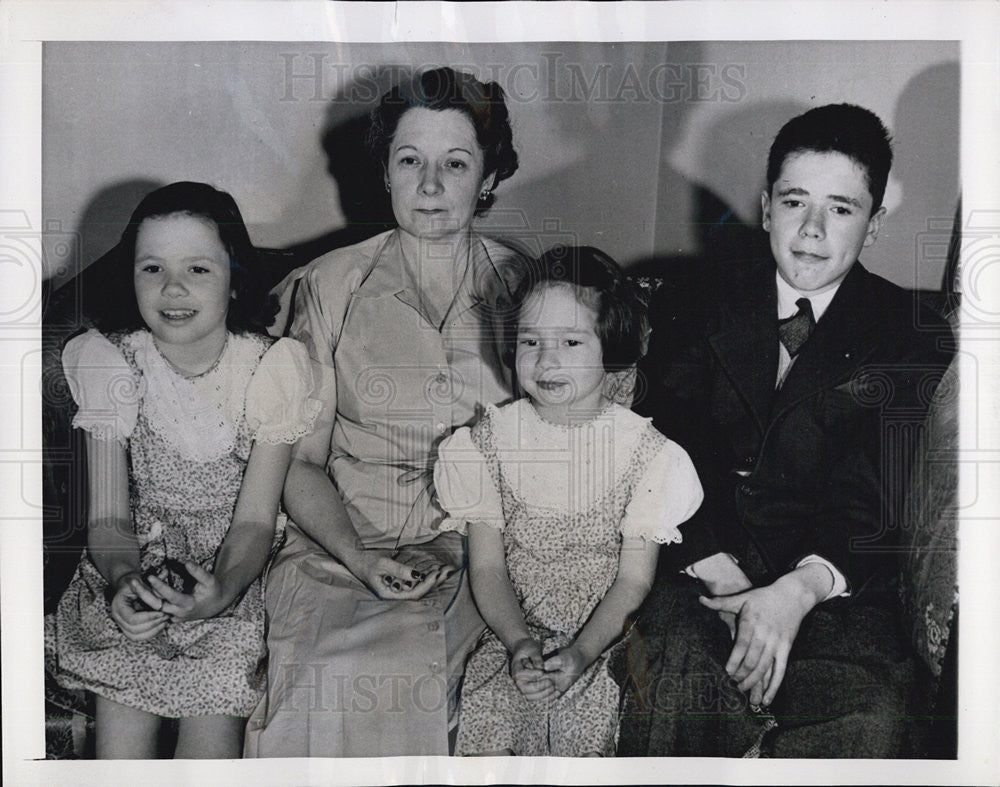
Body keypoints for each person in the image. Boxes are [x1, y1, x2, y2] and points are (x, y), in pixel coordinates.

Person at [618, 104, 954, 758]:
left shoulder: (911, 331)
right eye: (795, 200)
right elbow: (667, 445)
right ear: (767, 206)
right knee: (673, 687)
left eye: (842, 208)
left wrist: (795, 592)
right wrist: (723, 578)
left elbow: (872, 491)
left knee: (872, 719)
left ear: (876, 223)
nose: (811, 230)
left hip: (834, 593)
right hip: (702, 566)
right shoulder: (692, 297)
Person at [243, 67, 524, 757]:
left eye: (455, 164)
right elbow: (300, 462)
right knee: (322, 675)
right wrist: (359, 555)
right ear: (387, 174)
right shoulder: (333, 282)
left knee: (403, 677)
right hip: (335, 545)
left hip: (472, 553)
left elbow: (539, 454)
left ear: (487, 177)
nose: (430, 185)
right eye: (410, 161)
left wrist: (452, 543)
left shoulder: (525, 287)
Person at [47, 182, 324, 758]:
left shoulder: (271, 368)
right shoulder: (112, 362)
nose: (172, 288)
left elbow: (253, 521)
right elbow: (107, 517)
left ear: (235, 275)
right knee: (122, 718)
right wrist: (123, 580)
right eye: (152, 268)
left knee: (212, 729)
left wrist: (222, 591)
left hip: (232, 571)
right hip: (136, 563)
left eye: (197, 268)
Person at [433, 246, 703, 756]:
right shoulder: (488, 441)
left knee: (598, 722)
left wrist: (581, 652)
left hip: (608, 640)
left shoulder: (647, 454)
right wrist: (517, 644)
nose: (546, 359)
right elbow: (488, 568)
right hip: (517, 631)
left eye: (572, 341)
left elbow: (633, 580)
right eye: (530, 340)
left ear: (613, 348)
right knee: (497, 713)